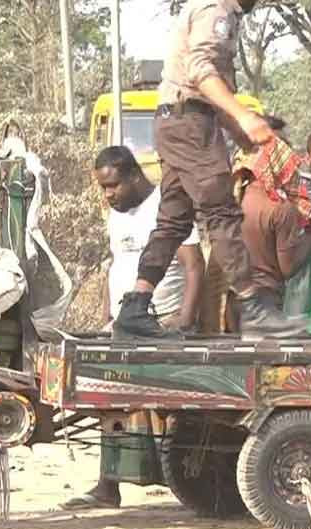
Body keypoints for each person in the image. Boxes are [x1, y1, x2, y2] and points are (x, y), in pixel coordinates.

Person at [117, 0, 305, 339]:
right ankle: (254, 307)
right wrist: (243, 115)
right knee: (221, 210)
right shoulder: (216, 7)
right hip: (190, 123)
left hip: (179, 121)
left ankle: (135, 305)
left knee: (174, 219)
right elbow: (201, 70)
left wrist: (237, 131)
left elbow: (208, 83)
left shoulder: (214, 7)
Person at [61, 146, 204, 510]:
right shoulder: (117, 213)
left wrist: (185, 319)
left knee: (165, 406)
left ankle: (181, 481)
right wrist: (109, 315)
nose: (108, 194)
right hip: (124, 322)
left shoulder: (165, 207)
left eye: (113, 186)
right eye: (103, 188)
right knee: (110, 399)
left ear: (135, 176)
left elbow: (193, 265)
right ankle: (108, 485)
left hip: (160, 320)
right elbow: (116, 264)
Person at [231, 117, 311, 311]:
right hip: (265, 303)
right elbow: (288, 268)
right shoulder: (280, 208)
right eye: (282, 148)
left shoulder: (237, 197)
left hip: (235, 301)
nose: (289, 155)